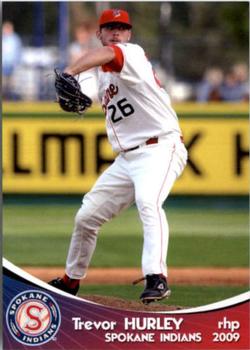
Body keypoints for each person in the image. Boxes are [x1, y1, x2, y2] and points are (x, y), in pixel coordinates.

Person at [49, 9, 188, 304]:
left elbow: (105, 56)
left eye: (121, 28)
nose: (116, 32)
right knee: (87, 216)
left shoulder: (131, 53)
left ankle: (157, 277)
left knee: (148, 202)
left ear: (129, 34)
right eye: (109, 27)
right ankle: (70, 281)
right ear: (99, 33)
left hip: (160, 147)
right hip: (127, 159)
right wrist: (67, 94)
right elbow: (76, 100)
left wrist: (68, 72)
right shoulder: (102, 76)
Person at [2, 21, 23, 100]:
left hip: (13, 66)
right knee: (3, 85)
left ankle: (11, 100)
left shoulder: (15, 39)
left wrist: (17, 63)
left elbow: (18, 52)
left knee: (12, 86)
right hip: (3, 66)